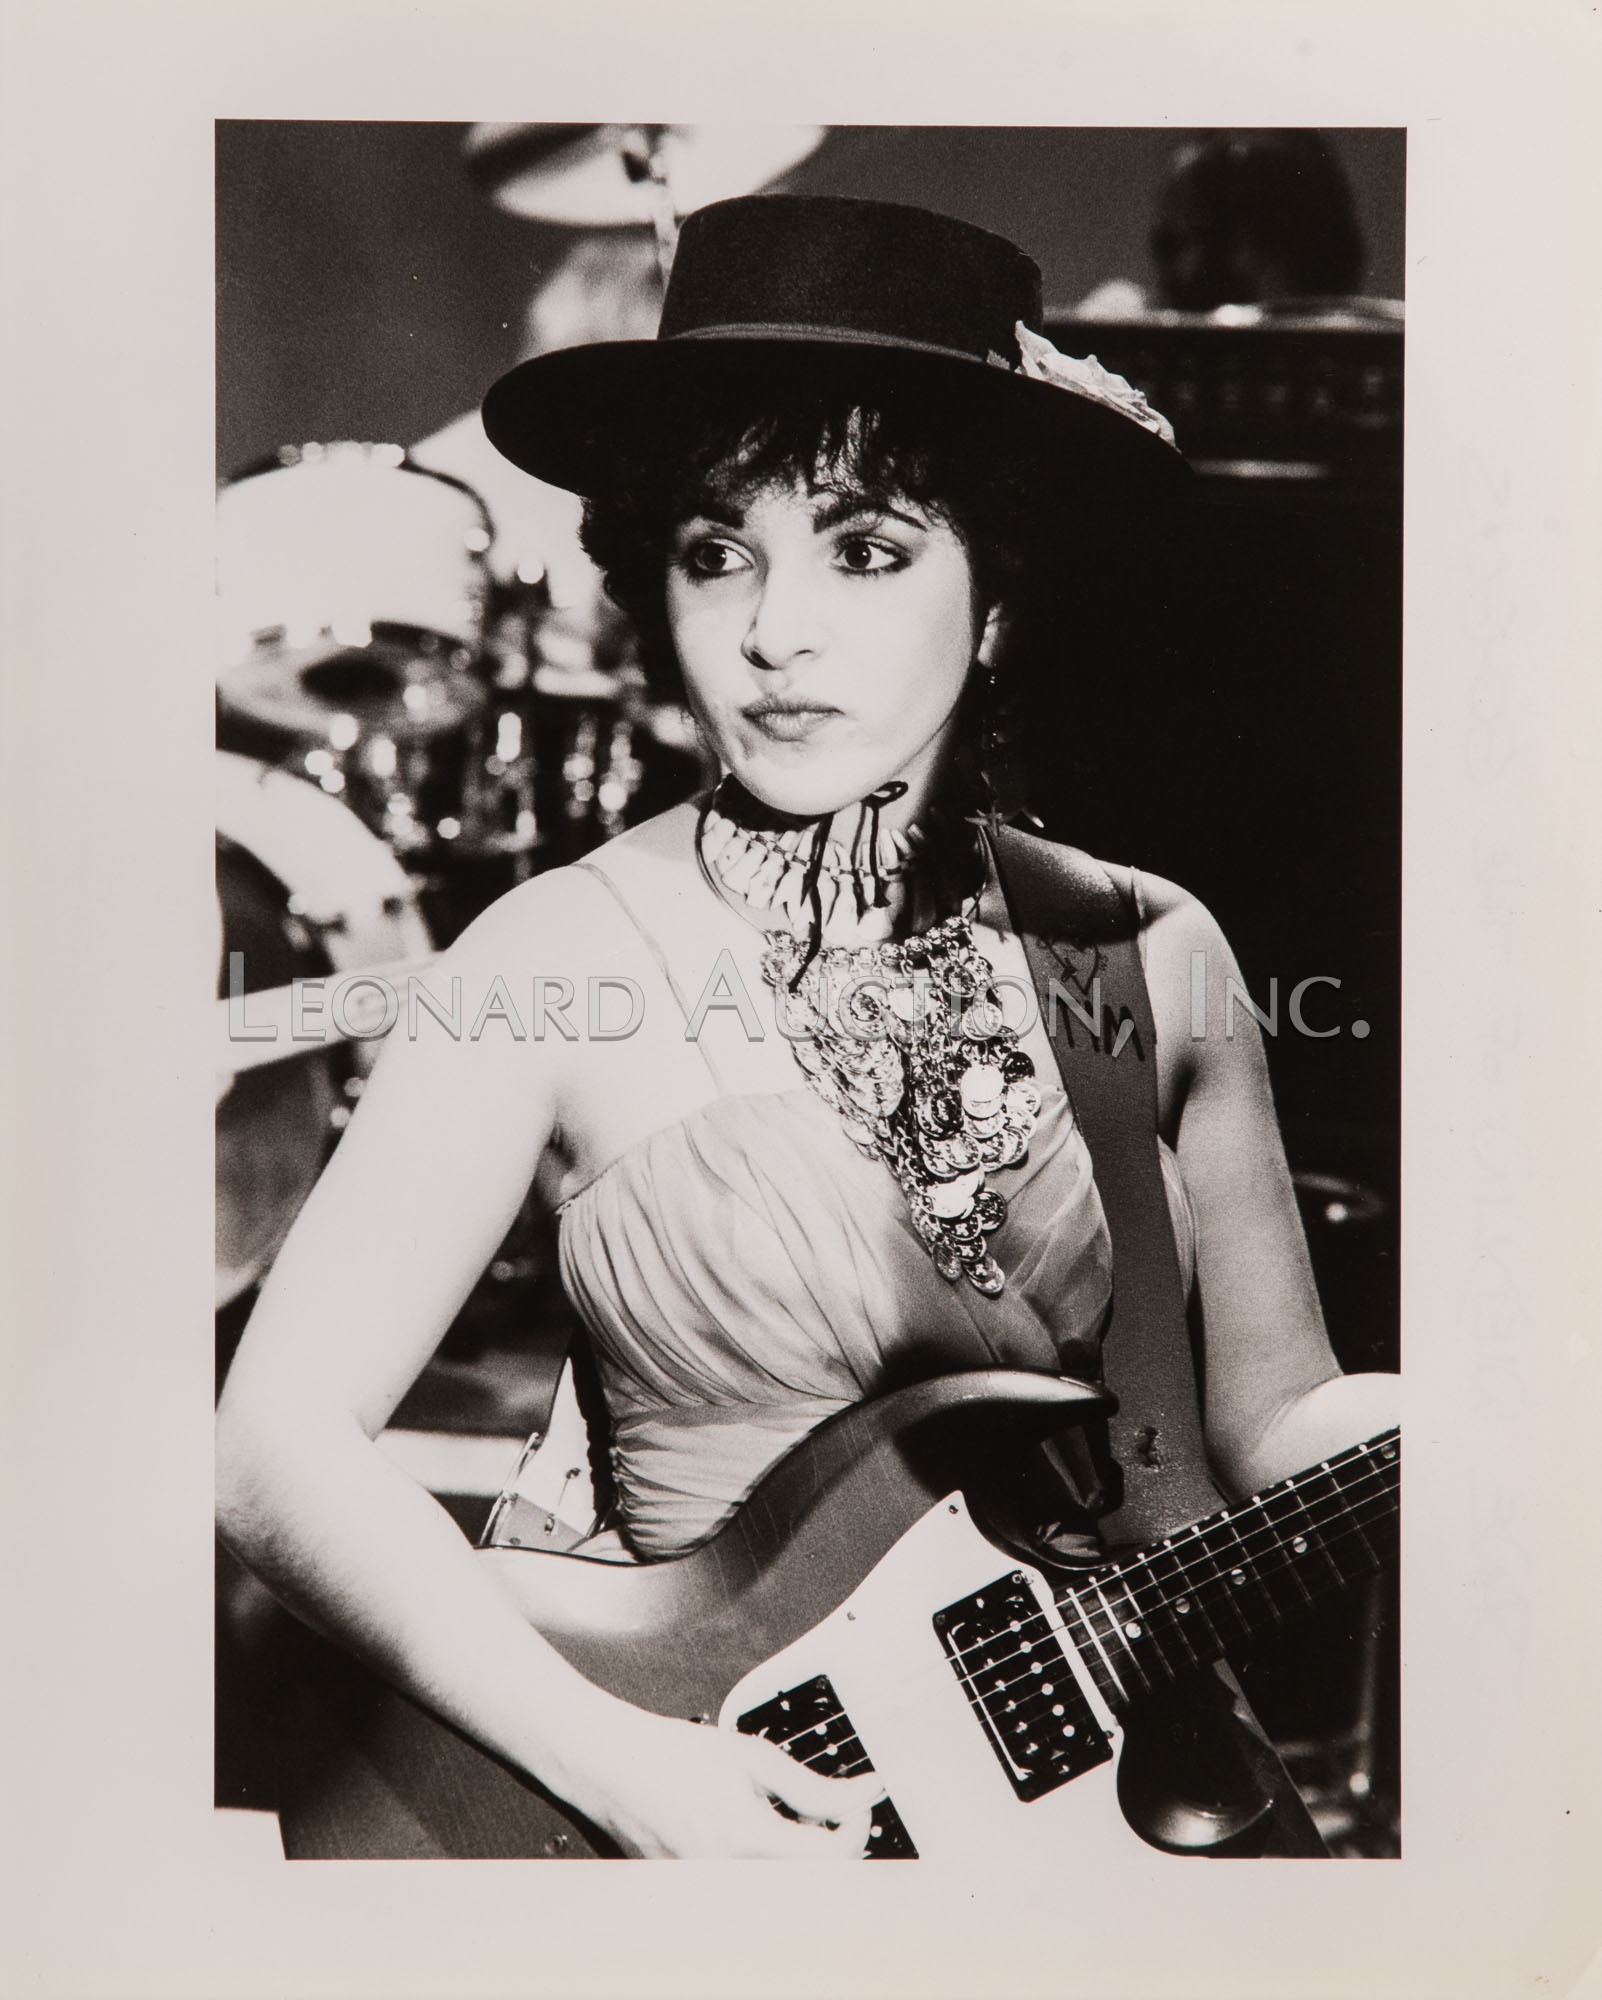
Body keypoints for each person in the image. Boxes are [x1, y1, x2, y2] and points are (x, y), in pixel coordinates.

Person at [214, 193, 1398, 1859]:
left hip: (1063, 1808)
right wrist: (634, 1779)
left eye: (866, 549)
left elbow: (1272, 1423)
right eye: (717, 554)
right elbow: (273, 1446)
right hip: (675, 1811)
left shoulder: (1150, 951)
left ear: (995, 600)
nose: (774, 631)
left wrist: (1477, 1417)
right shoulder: (544, 958)